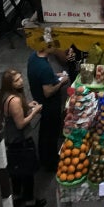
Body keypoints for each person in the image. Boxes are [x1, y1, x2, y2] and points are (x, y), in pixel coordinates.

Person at [1, 70, 46, 207]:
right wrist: (35, 111)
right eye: (16, 80)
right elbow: (20, 124)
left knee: (17, 173)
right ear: (10, 84)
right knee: (27, 173)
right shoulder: (14, 101)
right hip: (20, 141)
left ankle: (18, 198)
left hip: (12, 140)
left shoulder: (7, 96)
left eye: (20, 78)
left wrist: (27, 106)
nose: (21, 81)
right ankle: (29, 202)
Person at [27, 44, 70, 172]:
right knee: (51, 134)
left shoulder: (33, 58)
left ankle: (43, 158)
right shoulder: (44, 67)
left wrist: (54, 76)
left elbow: (43, 78)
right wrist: (62, 82)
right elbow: (48, 91)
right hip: (50, 105)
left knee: (44, 131)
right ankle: (51, 163)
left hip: (40, 101)